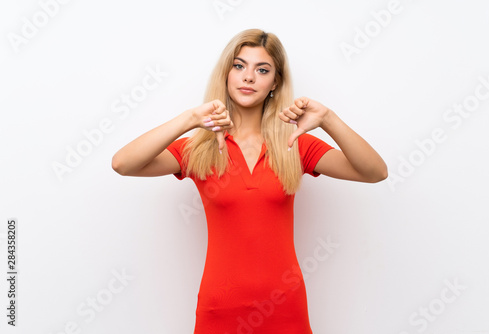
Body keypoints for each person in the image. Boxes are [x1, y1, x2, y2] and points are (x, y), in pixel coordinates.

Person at [112, 28, 387, 334]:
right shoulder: (199, 149)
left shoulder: (294, 144)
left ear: (275, 82)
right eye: (239, 66)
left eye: (262, 69)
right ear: (226, 74)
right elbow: (123, 164)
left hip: (285, 310)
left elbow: (375, 172)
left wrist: (328, 118)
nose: (248, 77)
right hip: (219, 310)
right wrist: (191, 119)